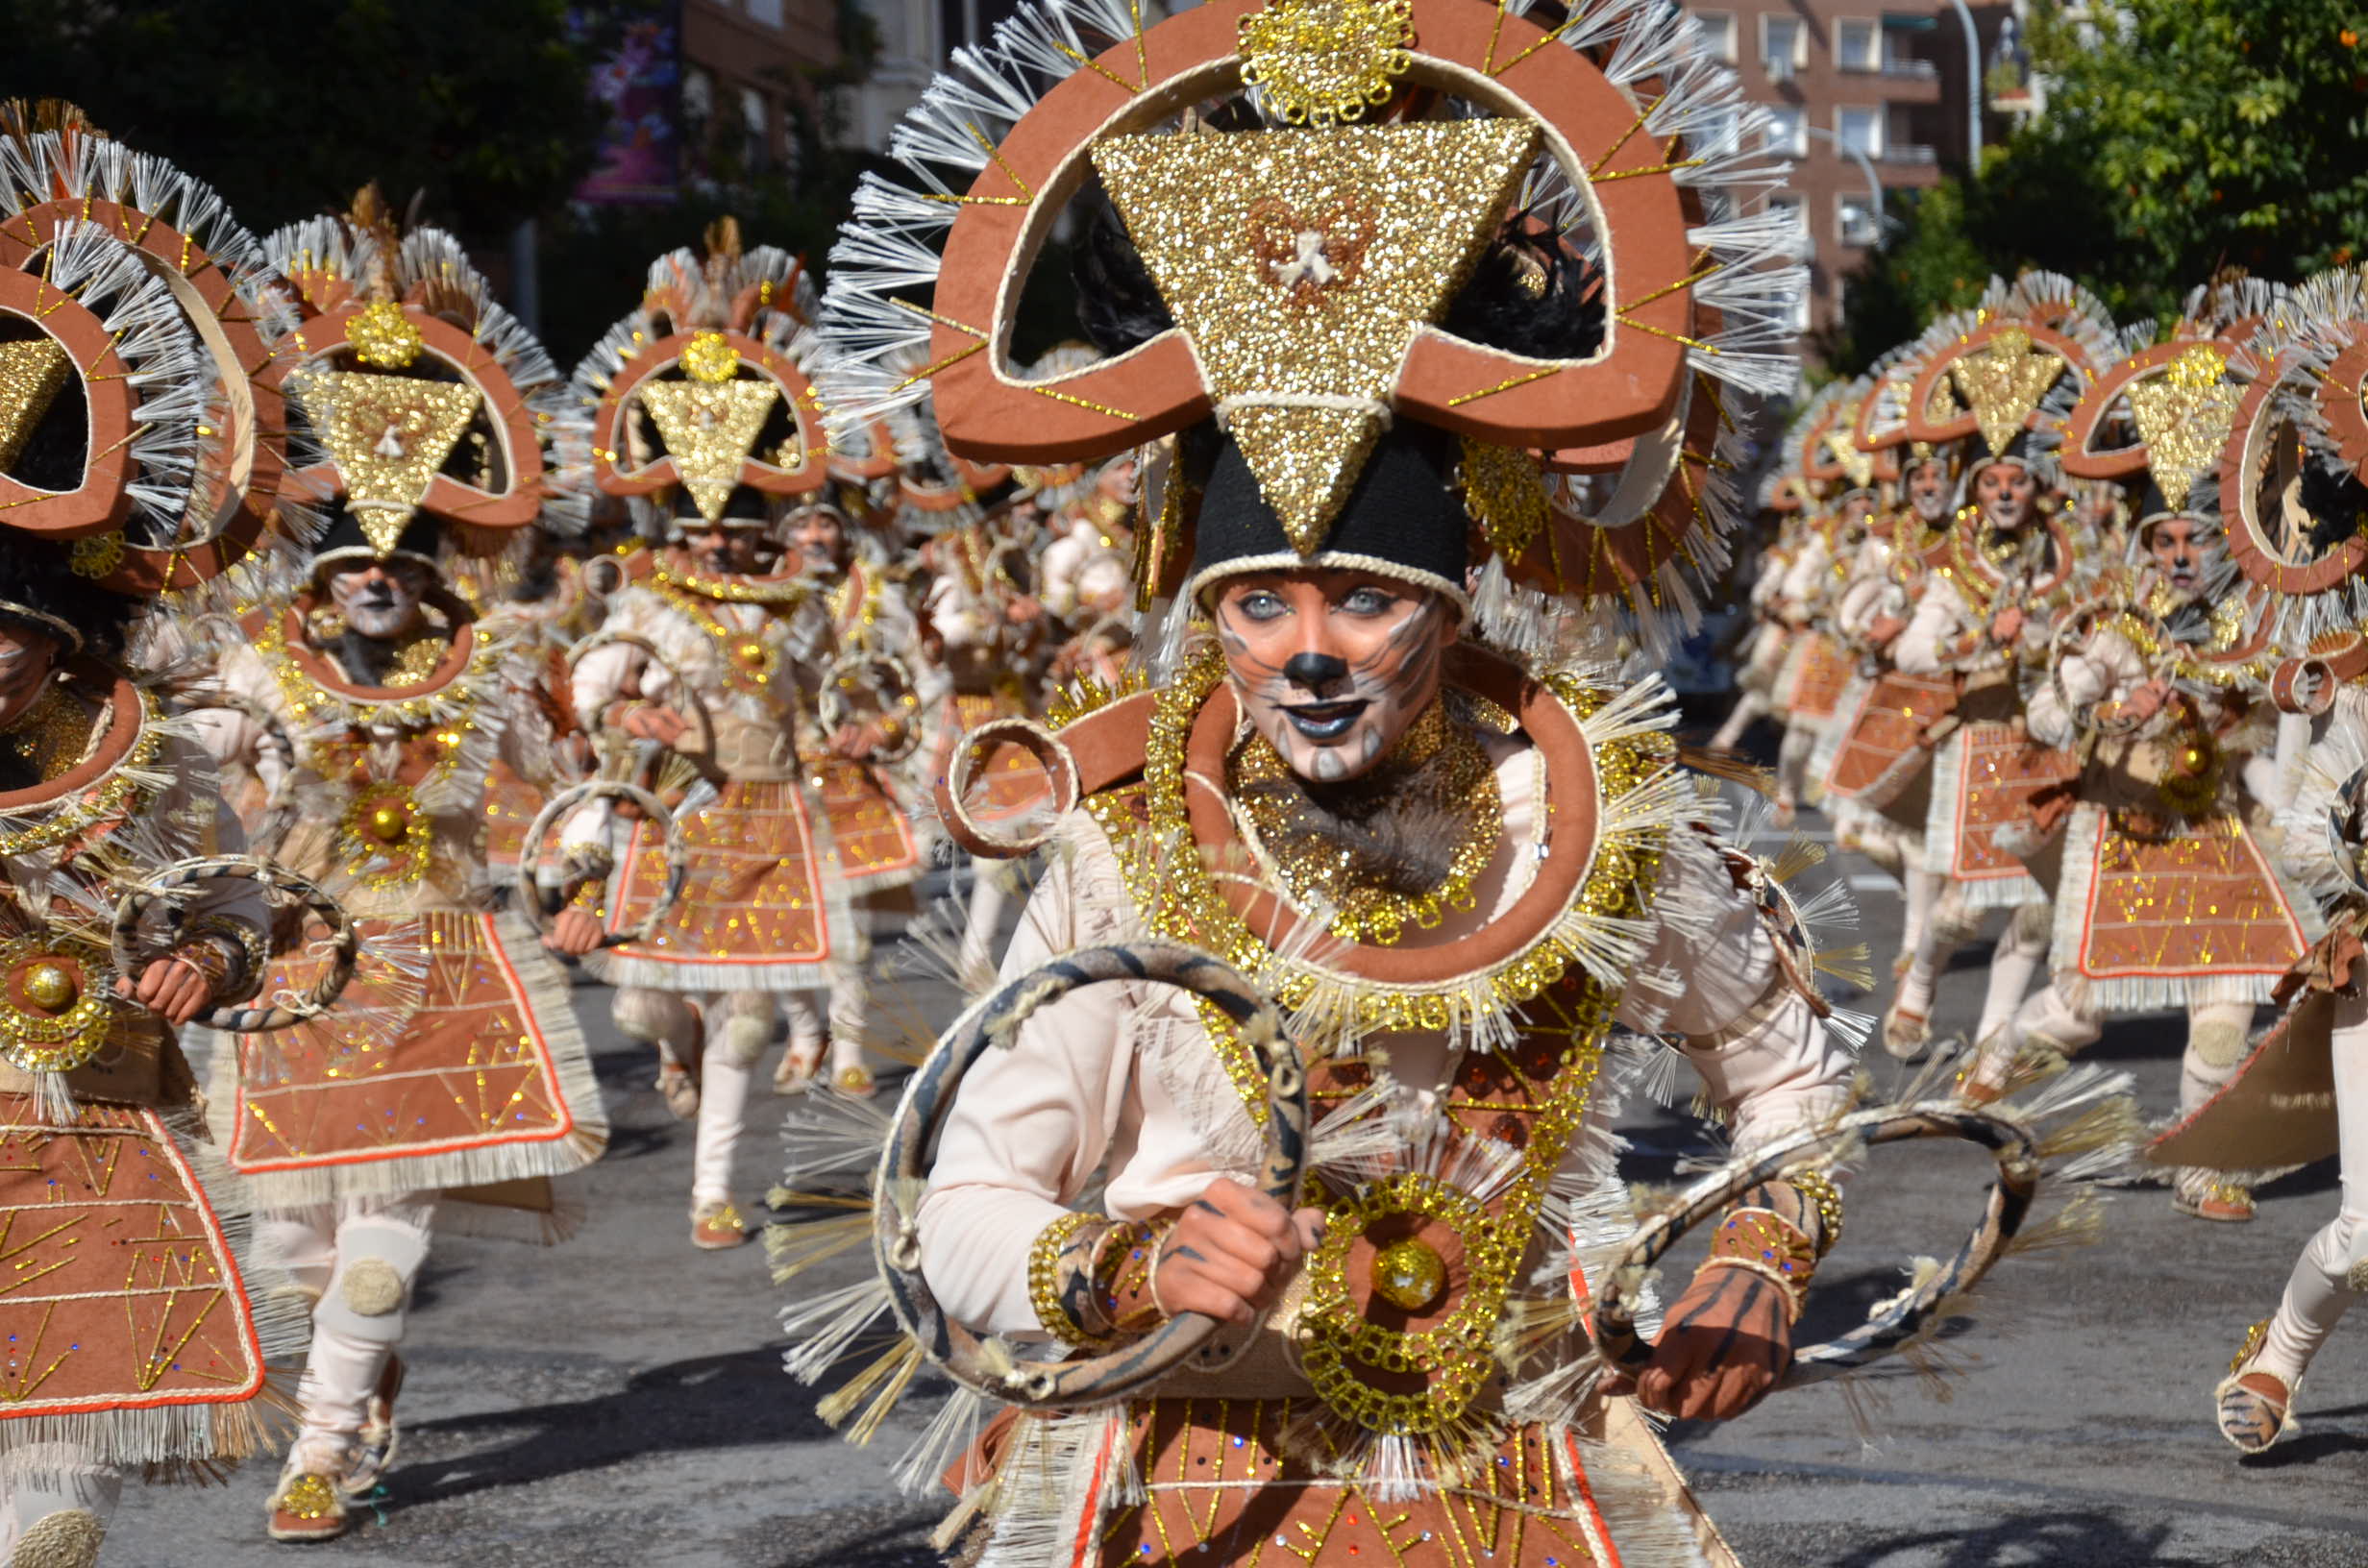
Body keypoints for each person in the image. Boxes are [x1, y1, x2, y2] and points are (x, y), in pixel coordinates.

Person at [770, 4, 1869, 1556]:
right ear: (1204, 612)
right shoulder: (1124, 848)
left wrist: (1766, 1237)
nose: (1307, 654)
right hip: (1192, 1457)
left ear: (1450, 602)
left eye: (1363, 599)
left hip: (1521, 1464)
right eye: (1257, 605)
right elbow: (961, 1202)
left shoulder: (1595, 830)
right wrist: (1121, 1270)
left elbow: (1790, 1077)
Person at [184, 196, 610, 1543]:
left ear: (433, 571)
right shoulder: (257, 659)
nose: (375, 576)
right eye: (354, 555)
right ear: (319, 573)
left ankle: (315, 1454)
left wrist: (579, 877)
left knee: (386, 1240)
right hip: (301, 972)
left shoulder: (491, 669)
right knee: (301, 1251)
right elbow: (182, 765)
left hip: (446, 963)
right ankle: (356, 1398)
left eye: (400, 557)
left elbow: (578, 789)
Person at [0, 104, 314, 1562]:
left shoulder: (148, 753)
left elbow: (240, 897)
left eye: (14, 637)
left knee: (55, 1510)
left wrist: (206, 951)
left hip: (96, 1127)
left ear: (67, 645)